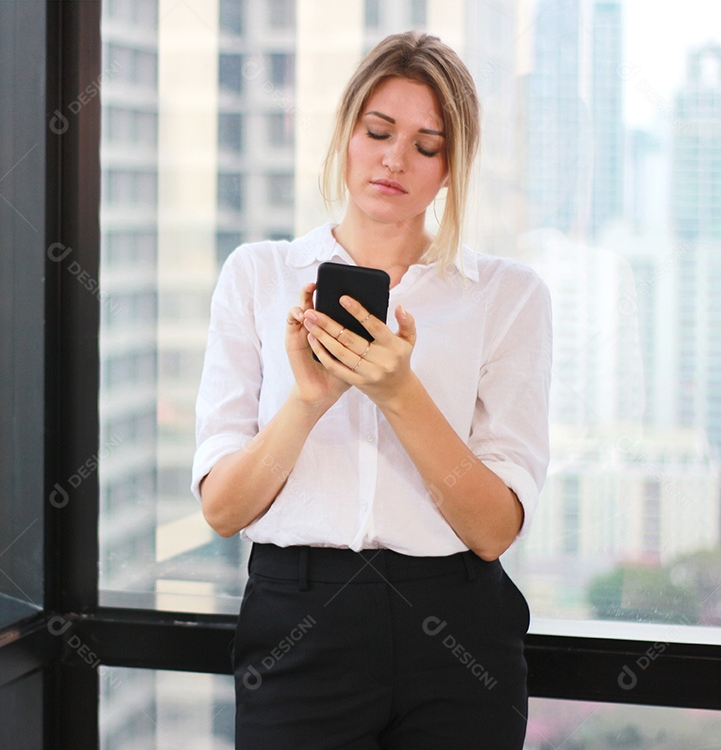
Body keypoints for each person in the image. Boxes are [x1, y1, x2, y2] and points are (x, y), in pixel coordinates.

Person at [191, 31, 552, 749]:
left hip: (460, 628)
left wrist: (397, 392)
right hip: (298, 622)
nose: (395, 159)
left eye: (427, 144)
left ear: (452, 167)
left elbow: (493, 529)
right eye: (378, 131)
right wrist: (307, 401)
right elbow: (224, 510)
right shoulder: (258, 276)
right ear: (346, 134)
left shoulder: (509, 296)